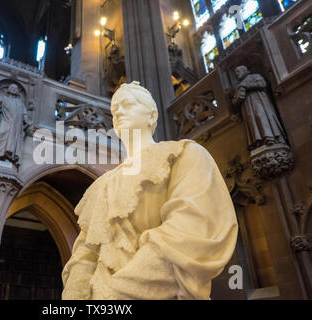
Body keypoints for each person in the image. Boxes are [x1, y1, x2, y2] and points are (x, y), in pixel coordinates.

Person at [62, 81, 238, 300]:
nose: (118, 112)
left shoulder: (185, 156)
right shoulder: (102, 185)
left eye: (127, 104)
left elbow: (187, 236)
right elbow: (85, 254)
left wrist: (111, 295)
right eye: (115, 109)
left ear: (152, 116)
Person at [232, 65, 287, 151]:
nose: (237, 75)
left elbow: (262, 84)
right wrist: (238, 97)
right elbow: (235, 101)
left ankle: (270, 137)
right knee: (252, 121)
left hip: (259, 102)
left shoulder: (255, 76)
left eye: (238, 72)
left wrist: (246, 86)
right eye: (236, 73)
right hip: (247, 108)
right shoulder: (239, 86)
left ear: (244, 70)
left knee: (260, 116)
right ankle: (258, 141)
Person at [0, 83, 31, 167]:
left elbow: (24, 113)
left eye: (16, 88)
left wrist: (26, 120)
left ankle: (8, 156)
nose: (14, 89)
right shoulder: (3, 98)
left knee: (12, 141)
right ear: (9, 89)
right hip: (5, 122)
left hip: (15, 126)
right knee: (0, 135)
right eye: (12, 87)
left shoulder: (20, 103)